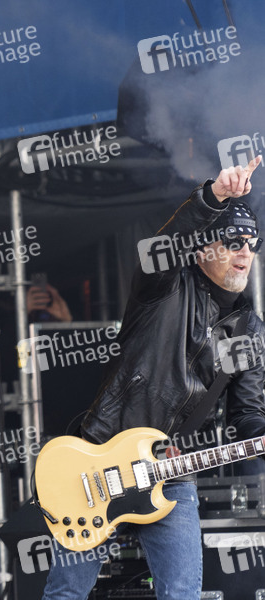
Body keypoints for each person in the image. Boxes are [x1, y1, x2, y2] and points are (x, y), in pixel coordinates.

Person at [41, 156, 265, 599]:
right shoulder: (164, 287)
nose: (246, 252)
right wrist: (213, 197)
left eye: (253, 243)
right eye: (233, 241)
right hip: (99, 458)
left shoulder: (249, 330)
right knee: (67, 592)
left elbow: (248, 414)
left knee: (182, 594)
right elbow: (162, 247)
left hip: (171, 471)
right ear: (202, 250)